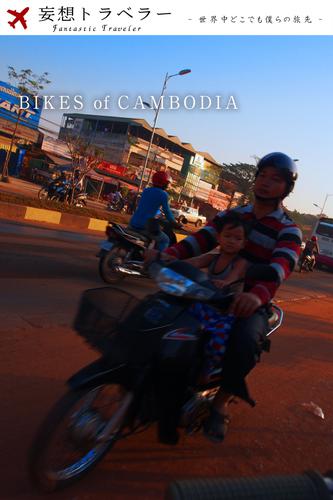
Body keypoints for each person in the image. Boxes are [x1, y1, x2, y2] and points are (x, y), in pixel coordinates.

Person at [148, 152, 302, 443]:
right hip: (208, 290)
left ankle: (219, 404)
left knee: (244, 342)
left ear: (286, 188)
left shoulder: (288, 229)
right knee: (162, 314)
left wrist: (256, 296)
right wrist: (164, 255)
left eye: (275, 179)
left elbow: (282, 266)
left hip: (248, 301)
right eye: (263, 176)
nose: (266, 183)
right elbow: (200, 241)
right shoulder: (233, 216)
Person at [186, 213, 250, 385]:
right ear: (218, 237)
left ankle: (207, 370)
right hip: (206, 305)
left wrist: (225, 282)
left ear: (244, 243)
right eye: (227, 236)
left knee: (217, 340)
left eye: (237, 238)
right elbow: (194, 262)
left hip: (226, 311)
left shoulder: (240, 262)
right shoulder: (213, 257)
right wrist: (169, 261)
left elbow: (234, 276)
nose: (231, 241)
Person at [129, 171, 179, 251]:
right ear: (164, 183)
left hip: (133, 222)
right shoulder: (163, 194)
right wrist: (174, 222)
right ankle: (158, 260)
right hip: (145, 226)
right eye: (167, 183)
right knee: (165, 240)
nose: (168, 185)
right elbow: (167, 212)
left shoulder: (146, 190)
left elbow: (147, 206)